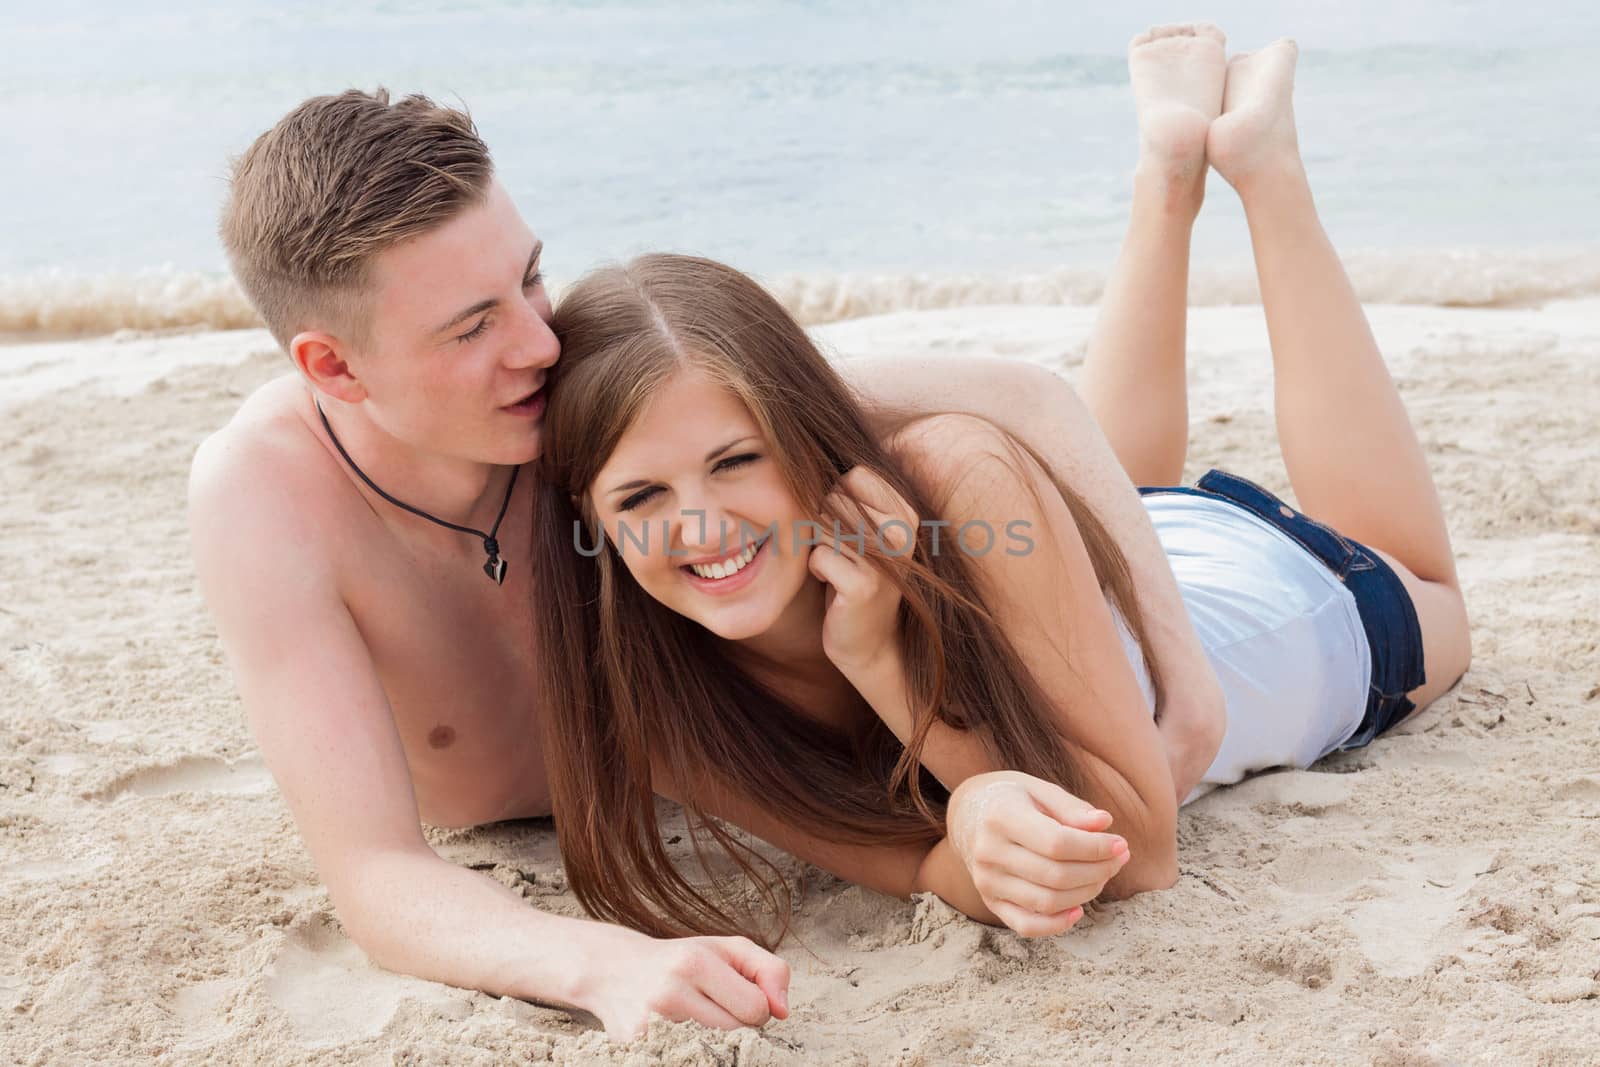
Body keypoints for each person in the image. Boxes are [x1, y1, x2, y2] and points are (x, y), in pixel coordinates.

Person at [187, 62, 1230, 1039]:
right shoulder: (270, 498)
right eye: (472, 326)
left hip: (827, 740)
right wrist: (602, 965)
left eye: (531, 278)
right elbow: (373, 872)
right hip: (723, 780)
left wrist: (1184, 679)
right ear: (335, 366)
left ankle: (1168, 194)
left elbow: (1027, 398)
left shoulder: (571, 404)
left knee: (1104, 502)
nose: (538, 342)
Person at [528, 25, 1472, 950]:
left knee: (1439, 597)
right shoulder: (655, 698)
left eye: (738, 462)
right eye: (640, 497)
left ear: (805, 436)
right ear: (592, 518)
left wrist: (885, 667)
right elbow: (921, 864)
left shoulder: (952, 470)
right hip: (1102, 564)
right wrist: (971, 810)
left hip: (1298, 597)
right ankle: (1172, 166)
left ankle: (1266, 170)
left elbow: (1138, 854)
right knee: (1081, 496)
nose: (700, 522)